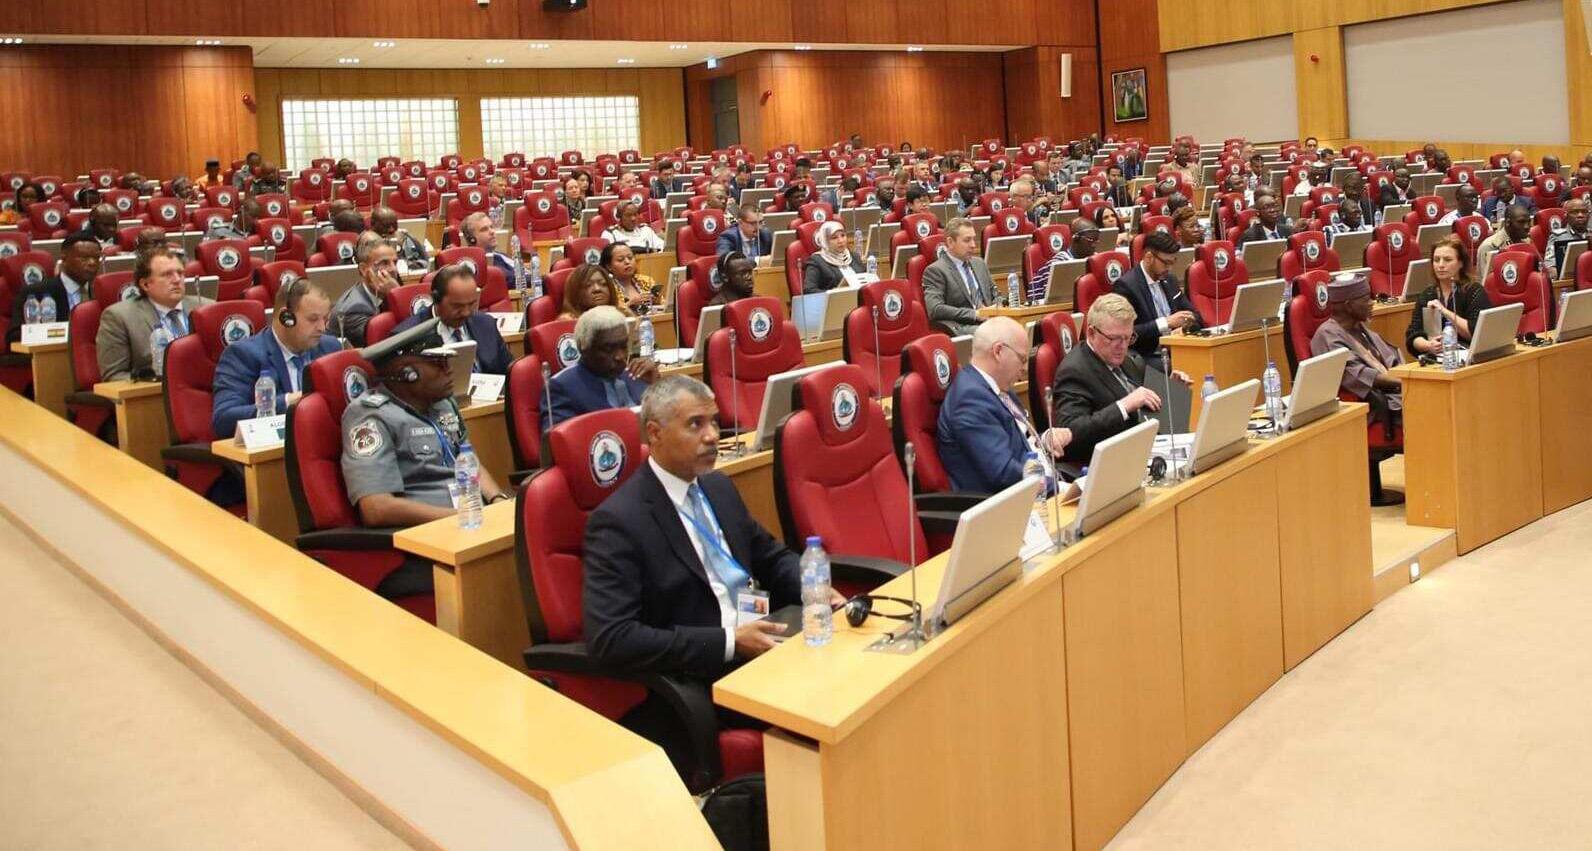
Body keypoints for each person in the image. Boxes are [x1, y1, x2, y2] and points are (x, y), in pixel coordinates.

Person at [582, 375, 837, 772]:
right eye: (695, 424)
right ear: (655, 433)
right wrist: (729, 642)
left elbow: (768, 555)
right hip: (707, 671)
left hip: (765, 637)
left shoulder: (717, 487)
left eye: (715, 422)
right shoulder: (619, 521)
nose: (713, 436)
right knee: (833, 710)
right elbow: (611, 636)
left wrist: (814, 586)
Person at [341, 319, 510, 604]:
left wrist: (497, 500)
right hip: (427, 541)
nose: (449, 371)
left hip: (473, 524)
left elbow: (468, 459)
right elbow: (376, 508)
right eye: (439, 365)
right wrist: (459, 519)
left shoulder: (443, 403)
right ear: (407, 374)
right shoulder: (371, 417)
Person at [1050, 294, 1189, 466]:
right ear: (1091, 333)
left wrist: (1169, 387)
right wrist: (1124, 406)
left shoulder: (1125, 358)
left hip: (1146, 450)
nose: (1122, 346)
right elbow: (1072, 432)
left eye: (1128, 337)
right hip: (1109, 464)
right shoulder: (1074, 371)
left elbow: (1142, 397)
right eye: (1114, 338)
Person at [937, 317, 1073, 492]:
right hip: (1013, 504)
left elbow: (1019, 441)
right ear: (998, 351)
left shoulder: (997, 386)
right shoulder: (970, 399)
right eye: (1022, 359)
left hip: (1038, 486)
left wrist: (1045, 440)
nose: (1024, 368)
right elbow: (1004, 472)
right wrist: (1059, 488)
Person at [211, 279, 341, 437]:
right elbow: (224, 419)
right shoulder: (243, 355)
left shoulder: (330, 347)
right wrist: (290, 402)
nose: (322, 328)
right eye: (313, 319)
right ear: (285, 318)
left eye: (325, 319)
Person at [96, 247, 213, 381]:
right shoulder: (120, 317)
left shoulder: (207, 307)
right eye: (167, 274)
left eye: (180, 273)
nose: (177, 280)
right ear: (145, 284)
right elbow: (113, 376)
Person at [540, 305, 658, 430]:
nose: (620, 356)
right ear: (584, 347)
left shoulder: (636, 375)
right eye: (608, 349)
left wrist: (656, 385)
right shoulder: (561, 387)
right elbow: (559, 443)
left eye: (623, 346)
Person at [1310, 271, 1403, 425]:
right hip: (1373, 407)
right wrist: (1405, 382)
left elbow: (1391, 358)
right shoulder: (1327, 336)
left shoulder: (1359, 328)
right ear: (1349, 306)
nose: (1372, 302)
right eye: (1366, 299)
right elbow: (1359, 375)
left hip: (1396, 393)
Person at [392, 264, 511, 375]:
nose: (466, 312)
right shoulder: (408, 337)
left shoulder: (485, 324)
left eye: (471, 304)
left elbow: (509, 371)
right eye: (457, 306)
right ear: (436, 299)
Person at [1113, 230, 1202, 356]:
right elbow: (1127, 333)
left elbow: (1196, 316)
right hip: (1149, 355)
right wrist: (1166, 323)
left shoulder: (1169, 280)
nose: (1170, 268)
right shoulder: (1127, 286)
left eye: (1173, 262)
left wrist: (1184, 328)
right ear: (1149, 257)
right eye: (1166, 263)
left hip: (1178, 348)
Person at [1403, 236, 1491, 358]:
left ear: (1461, 263)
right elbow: (1413, 335)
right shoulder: (1427, 294)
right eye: (1436, 260)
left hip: (1469, 358)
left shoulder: (1474, 291)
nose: (1441, 265)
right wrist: (1428, 345)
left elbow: (1477, 333)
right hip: (1437, 359)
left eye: (1447, 260)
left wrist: (1443, 311)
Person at [7, 232, 101, 342]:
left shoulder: (101, 292)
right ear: (64, 257)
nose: (92, 263)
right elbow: (14, 335)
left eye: (96, 258)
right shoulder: (36, 293)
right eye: (84, 258)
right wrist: (55, 332)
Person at [921, 218, 995, 336]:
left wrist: (999, 307)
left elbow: (995, 293)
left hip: (991, 320)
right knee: (997, 333)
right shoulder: (936, 271)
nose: (973, 245)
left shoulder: (979, 263)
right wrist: (975, 314)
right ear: (950, 242)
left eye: (973, 239)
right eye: (967, 240)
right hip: (963, 326)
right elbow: (935, 309)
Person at [329, 232, 400, 347]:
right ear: (363, 269)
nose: (393, 269)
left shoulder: (384, 290)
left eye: (395, 262)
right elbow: (390, 342)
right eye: (384, 263)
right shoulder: (353, 309)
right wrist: (397, 295)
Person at [1029, 220, 1096, 297]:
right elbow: (1048, 297)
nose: (1094, 245)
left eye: (1096, 240)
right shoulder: (1058, 262)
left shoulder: (1094, 258)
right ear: (1076, 239)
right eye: (1090, 240)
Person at [802, 220, 867, 294]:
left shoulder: (854, 256)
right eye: (834, 238)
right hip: (834, 303)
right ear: (825, 241)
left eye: (843, 235)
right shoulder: (816, 261)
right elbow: (809, 290)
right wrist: (834, 293)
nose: (840, 241)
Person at [1475, 204, 1534, 283]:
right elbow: (1487, 283)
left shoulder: (1527, 242)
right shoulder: (1490, 246)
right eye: (1521, 222)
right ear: (1508, 223)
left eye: (1528, 222)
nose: (1527, 226)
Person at [602, 242, 661, 313]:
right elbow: (608, 315)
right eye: (620, 260)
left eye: (630, 258)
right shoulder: (607, 288)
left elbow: (664, 305)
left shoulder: (646, 280)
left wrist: (657, 301)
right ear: (609, 266)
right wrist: (630, 304)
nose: (627, 262)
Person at [560, 262, 630, 320]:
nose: (597, 289)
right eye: (588, 285)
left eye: (603, 284)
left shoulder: (621, 313)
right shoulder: (569, 320)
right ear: (576, 292)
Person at [369, 206, 429, 271]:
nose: (391, 229)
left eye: (393, 224)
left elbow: (426, 259)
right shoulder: (369, 242)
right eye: (386, 225)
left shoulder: (406, 236)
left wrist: (413, 265)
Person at [458, 211, 515, 279]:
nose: (492, 232)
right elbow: (511, 279)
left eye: (491, 227)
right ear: (472, 239)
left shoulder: (498, 254)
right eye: (484, 229)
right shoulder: (484, 262)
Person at [1546, 196, 1590, 278]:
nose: (1580, 215)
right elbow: (1549, 266)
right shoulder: (1558, 237)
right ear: (1566, 216)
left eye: (1584, 212)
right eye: (1575, 212)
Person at [600, 201, 665, 254]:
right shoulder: (610, 234)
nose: (633, 218)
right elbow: (609, 257)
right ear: (619, 217)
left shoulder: (646, 229)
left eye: (635, 214)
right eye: (628, 215)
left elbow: (662, 247)